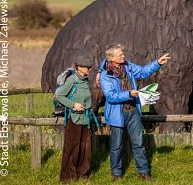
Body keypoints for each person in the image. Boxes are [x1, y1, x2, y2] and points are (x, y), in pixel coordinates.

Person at [99, 44, 170, 182]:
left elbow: (143, 71)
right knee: (116, 146)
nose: (123, 56)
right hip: (116, 114)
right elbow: (111, 96)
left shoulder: (128, 66)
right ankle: (116, 174)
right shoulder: (105, 75)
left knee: (138, 143)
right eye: (120, 55)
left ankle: (143, 172)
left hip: (133, 112)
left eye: (123, 54)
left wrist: (157, 63)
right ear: (112, 58)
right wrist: (129, 94)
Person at [56, 55, 93, 183]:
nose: (90, 69)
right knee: (71, 148)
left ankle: (83, 175)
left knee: (85, 148)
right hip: (74, 119)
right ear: (79, 67)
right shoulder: (72, 80)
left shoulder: (85, 81)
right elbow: (59, 95)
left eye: (90, 67)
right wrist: (73, 105)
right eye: (87, 67)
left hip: (85, 119)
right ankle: (68, 177)